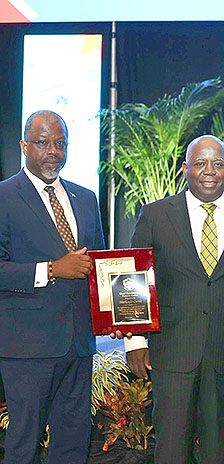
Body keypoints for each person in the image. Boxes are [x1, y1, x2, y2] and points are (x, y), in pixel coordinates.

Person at [123, 135, 224, 464]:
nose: (209, 171)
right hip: (172, 351)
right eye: (200, 163)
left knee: (217, 451)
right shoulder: (156, 215)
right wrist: (135, 341)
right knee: (171, 450)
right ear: (186, 168)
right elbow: (133, 278)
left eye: (217, 164)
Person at [0, 110, 105, 463]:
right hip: (26, 348)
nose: (53, 152)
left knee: (73, 444)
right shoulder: (4, 196)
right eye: (43, 143)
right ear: (24, 146)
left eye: (60, 144)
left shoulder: (85, 198)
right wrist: (51, 270)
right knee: (23, 446)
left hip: (79, 344)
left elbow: (99, 267)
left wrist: (116, 316)